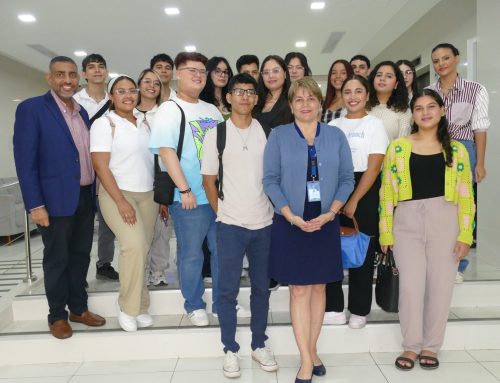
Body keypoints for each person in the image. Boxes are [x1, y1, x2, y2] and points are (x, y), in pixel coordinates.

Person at [263, 77, 354, 382]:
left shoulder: (335, 135)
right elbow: (270, 180)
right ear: (291, 105)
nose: (305, 104)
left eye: (311, 99)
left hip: (325, 219)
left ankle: (312, 350)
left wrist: (332, 213)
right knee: (300, 289)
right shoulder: (278, 136)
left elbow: (346, 179)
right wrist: (289, 214)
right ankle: (305, 360)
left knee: (319, 287)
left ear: (319, 103)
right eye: (299, 99)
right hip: (291, 220)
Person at [379, 89, 475, 370]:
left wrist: (465, 234)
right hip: (406, 222)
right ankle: (411, 346)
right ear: (413, 114)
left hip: (447, 220)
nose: (425, 112)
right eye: (418, 108)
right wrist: (386, 232)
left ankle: (431, 346)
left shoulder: (456, 149)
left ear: (442, 110)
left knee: (441, 287)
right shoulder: (398, 147)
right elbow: (386, 194)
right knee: (410, 288)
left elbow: (467, 195)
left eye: (431, 106)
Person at [13, 56, 106, 339]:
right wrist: (35, 205)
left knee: (80, 255)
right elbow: (24, 161)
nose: (67, 80)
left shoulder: (82, 113)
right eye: (60, 74)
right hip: (53, 201)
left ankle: (78, 308)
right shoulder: (33, 109)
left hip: (84, 197)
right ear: (49, 78)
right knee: (57, 258)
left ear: (78, 78)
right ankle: (57, 315)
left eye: (71, 75)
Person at [202, 73, 278, 378]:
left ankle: (259, 344)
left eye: (250, 92)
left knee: (261, 288)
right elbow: (209, 180)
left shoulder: (269, 133)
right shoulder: (216, 134)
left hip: (265, 223)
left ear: (256, 99)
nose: (244, 96)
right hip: (230, 224)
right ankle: (230, 349)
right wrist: (221, 211)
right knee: (227, 290)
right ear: (229, 97)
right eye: (239, 91)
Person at [149, 52, 223, 326]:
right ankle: (194, 304)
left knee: (220, 251)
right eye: (191, 70)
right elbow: (166, 152)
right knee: (192, 253)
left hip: (217, 196)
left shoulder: (212, 110)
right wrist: (184, 189)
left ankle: (221, 301)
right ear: (178, 74)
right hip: (190, 197)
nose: (198, 75)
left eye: (202, 71)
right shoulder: (170, 108)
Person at [91, 75, 158, 332]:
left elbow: (154, 161)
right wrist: (120, 201)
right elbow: (100, 165)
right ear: (111, 96)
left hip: (148, 195)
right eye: (121, 91)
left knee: (143, 249)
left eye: (132, 91)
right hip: (117, 194)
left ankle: (141, 305)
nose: (128, 95)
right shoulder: (104, 124)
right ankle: (127, 307)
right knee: (133, 246)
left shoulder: (144, 122)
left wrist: (160, 198)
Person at [324, 75, 389, 328]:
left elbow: (374, 169)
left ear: (367, 95)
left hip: (365, 188)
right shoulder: (333, 126)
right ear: (341, 95)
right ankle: (334, 307)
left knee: (362, 249)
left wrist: (353, 200)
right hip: (335, 188)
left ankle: (360, 310)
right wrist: (338, 199)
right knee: (332, 248)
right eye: (347, 91)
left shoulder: (375, 125)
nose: (352, 96)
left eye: (358, 91)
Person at [427, 42, 489, 263]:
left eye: (445, 58)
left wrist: (479, 163)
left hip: (463, 149)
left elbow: (480, 129)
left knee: (462, 204)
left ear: (456, 58)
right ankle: (436, 257)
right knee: (436, 204)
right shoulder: (429, 92)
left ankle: (459, 263)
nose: (441, 64)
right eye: (436, 61)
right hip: (433, 148)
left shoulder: (475, 89)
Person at [74, 53, 119, 282]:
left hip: (107, 167)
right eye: (91, 67)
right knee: (81, 224)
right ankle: (78, 273)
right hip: (81, 168)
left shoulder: (113, 100)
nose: (97, 71)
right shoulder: (75, 100)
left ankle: (104, 263)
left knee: (107, 220)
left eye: (101, 67)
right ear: (84, 73)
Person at [135, 69, 173, 287]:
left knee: (162, 229)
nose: (151, 86)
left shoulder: (166, 113)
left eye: (156, 83)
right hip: (134, 181)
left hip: (161, 179)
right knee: (138, 234)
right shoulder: (128, 112)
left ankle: (158, 271)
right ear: (139, 84)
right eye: (147, 81)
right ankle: (139, 271)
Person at [368, 60, 411, 141]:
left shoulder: (403, 112)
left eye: (389, 76)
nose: (382, 79)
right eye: (379, 75)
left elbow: (402, 146)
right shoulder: (362, 106)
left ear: (396, 84)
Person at [253, 55, 294, 136]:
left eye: (275, 71)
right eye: (266, 72)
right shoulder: (255, 100)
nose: (271, 76)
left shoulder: (293, 100)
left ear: (285, 74)